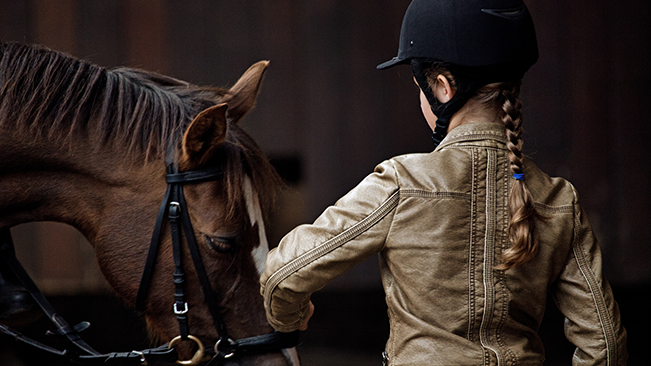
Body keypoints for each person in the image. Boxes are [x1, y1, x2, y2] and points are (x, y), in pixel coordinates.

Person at [260, 0, 627, 365]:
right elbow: (605, 343)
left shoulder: (402, 183)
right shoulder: (559, 199)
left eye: (420, 88)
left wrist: (291, 317)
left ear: (442, 88)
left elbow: (283, 273)